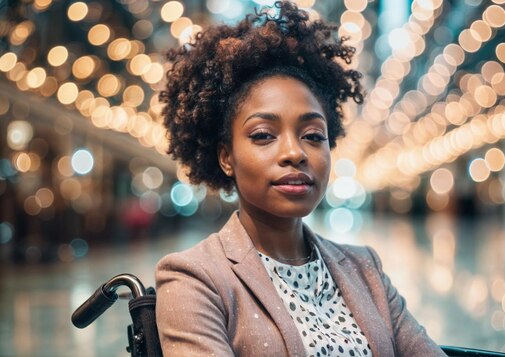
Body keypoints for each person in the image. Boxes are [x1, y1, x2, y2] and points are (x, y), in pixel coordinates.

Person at [155, 1, 445, 356]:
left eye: (313, 135)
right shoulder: (194, 279)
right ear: (226, 157)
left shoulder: (365, 268)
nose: (295, 153)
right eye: (263, 135)